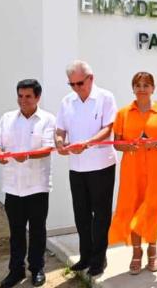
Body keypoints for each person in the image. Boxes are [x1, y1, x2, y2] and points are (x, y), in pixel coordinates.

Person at [55, 60, 118, 277]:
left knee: (100, 214)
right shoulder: (67, 101)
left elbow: (108, 128)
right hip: (77, 166)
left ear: (91, 78)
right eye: (71, 84)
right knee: (81, 214)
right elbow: (60, 129)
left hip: (101, 164)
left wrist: (88, 143)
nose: (76, 88)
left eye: (80, 83)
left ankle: (99, 259)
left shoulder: (105, 98)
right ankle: (85, 255)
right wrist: (59, 142)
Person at [0, 79, 56, 288]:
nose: (23, 100)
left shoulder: (47, 119)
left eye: (28, 96)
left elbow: (47, 148)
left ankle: (37, 269)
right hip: (13, 186)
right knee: (16, 231)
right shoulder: (7, 118)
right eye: (20, 96)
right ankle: (15, 270)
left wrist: (26, 155)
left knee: (37, 230)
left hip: (37, 185)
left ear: (37, 97)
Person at [108, 72, 157, 275]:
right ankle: (136, 253)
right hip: (132, 169)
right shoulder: (123, 113)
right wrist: (129, 146)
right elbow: (117, 143)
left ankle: (153, 252)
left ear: (153, 88)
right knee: (132, 209)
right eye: (138, 85)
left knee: (151, 209)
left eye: (146, 85)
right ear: (133, 88)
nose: (142, 88)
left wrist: (154, 143)